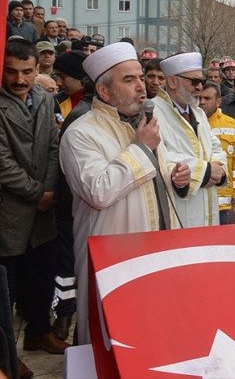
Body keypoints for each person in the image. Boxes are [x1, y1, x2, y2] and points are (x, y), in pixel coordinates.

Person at [60, 42, 190, 344]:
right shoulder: (81, 134)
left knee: (152, 337)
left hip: (156, 251)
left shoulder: (143, 124)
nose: (141, 87)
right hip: (114, 261)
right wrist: (142, 147)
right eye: (128, 80)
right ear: (104, 91)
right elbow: (99, 191)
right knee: (112, 340)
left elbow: (155, 175)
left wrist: (175, 177)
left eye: (140, 77)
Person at [0, 39, 66, 362]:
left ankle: (39, 334)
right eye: (11, 72)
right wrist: (38, 193)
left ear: (38, 68)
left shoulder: (43, 98)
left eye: (27, 72)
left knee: (42, 281)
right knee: (6, 293)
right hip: (9, 216)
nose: (19, 80)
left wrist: (49, 190)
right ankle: (7, 357)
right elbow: (3, 164)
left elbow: (54, 146)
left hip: (43, 216)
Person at [154, 52, 227, 227]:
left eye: (201, 81)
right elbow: (160, 157)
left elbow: (216, 148)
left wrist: (219, 171)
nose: (200, 87)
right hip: (179, 208)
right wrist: (205, 171)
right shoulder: (153, 113)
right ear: (172, 81)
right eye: (194, 81)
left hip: (208, 204)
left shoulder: (199, 113)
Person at [198, 82, 235, 225]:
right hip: (198, 202)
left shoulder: (230, 124)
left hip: (224, 205)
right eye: (199, 98)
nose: (202, 102)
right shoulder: (189, 123)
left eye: (207, 99)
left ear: (218, 101)